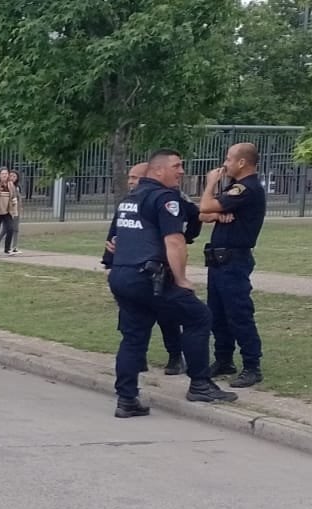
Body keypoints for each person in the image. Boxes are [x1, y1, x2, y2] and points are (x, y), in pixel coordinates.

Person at [106, 149, 238, 418]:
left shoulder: (130, 198)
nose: (181, 171)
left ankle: (127, 399)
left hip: (122, 275)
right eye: (176, 166)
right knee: (199, 317)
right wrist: (181, 279)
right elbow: (174, 241)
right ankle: (200, 384)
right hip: (149, 277)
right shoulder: (165, 198)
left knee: (133, 337)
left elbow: (118, 239)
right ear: (158, 170)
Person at [102, 161, 198, 376]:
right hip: (132, 269)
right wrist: (110, 259)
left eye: (135, 178)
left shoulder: (170, 197)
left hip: (160, 268)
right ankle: (139, 360)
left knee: (168, 316)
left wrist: (186, 237)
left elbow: (193, 218)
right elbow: (116, 232)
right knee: (131, 323)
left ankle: (175, 356)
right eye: (129, 178)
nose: (131, 182)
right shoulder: (129, 201)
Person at [198, 142, 267, 388]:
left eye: (228, 159)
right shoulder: (234, 188)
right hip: (218, 260)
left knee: (238, 313)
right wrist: (218, 214)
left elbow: (205, 204)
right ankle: (224, 359)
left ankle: (252, 366)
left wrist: (210, 184)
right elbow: (203, 214)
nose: (224, 164)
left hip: (234, 260)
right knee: (217, 313)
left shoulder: (246, 189)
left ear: (241, 162)